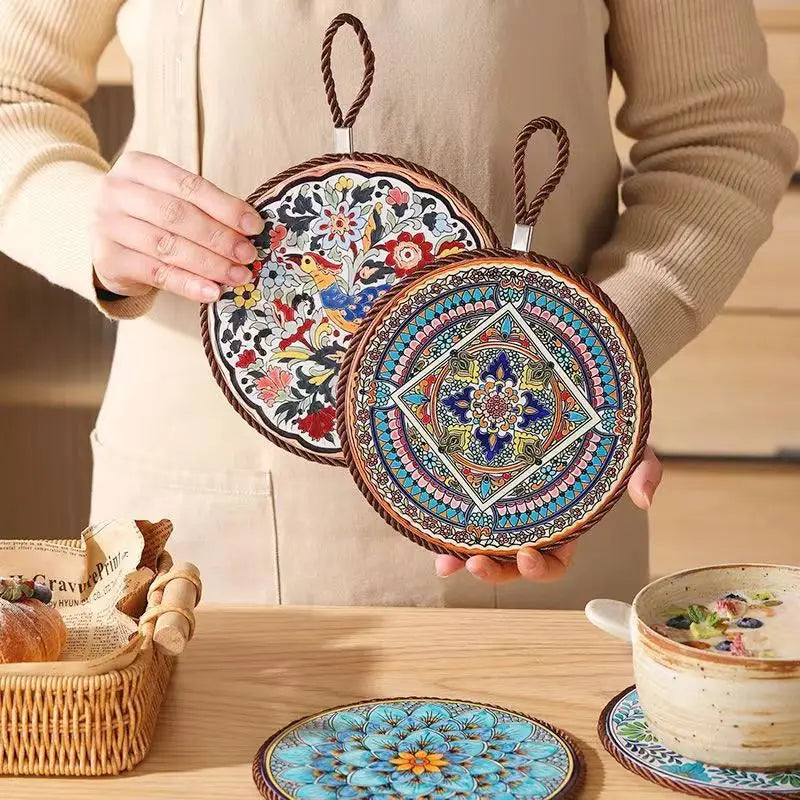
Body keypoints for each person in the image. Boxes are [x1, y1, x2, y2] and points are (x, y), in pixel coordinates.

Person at [0, 1, 795, 606]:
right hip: (199, 543)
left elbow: (717, 138)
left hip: (525, 487)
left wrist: (590, 362)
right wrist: (84, 222)